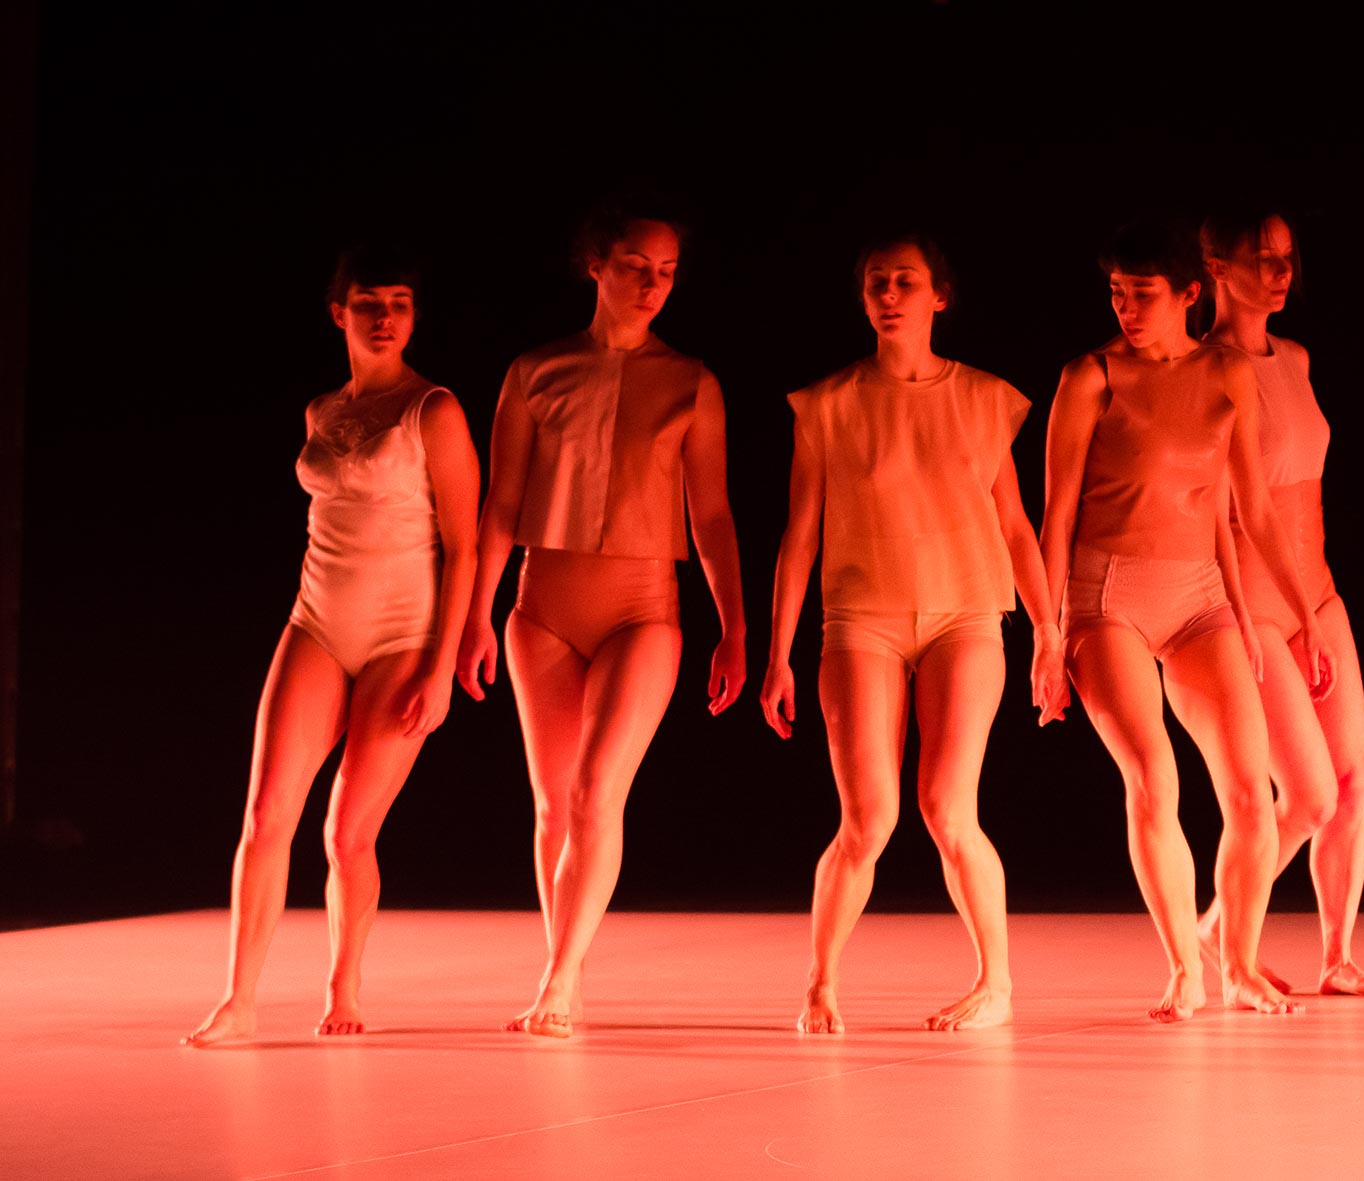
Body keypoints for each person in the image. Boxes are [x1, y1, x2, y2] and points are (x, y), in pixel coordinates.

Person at [761, 233, 1065, 1034]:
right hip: (861, 617)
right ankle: (821, 983)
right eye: (877, 283)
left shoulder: (984, 398)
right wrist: (777, 655)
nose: (890, 294)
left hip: (966, 613)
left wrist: (1048, 630)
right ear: (863, 298)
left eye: (906, 281)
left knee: (948, 807)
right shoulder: (827, 404)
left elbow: (1015, 524)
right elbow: (799, 536)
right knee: (868, 817)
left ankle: (996, 982)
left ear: (940, 296)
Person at [456, 204, 745, 1039]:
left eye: (667, 272)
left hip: (641, 609)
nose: (653, 284)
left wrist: (735, 627)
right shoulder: (534, 371)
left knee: (594, 790)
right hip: (541, 604)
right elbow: (501, 503)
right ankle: (568, 976)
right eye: (635, 266)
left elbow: (712, 515)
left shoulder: (692, 382)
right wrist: (476, 616)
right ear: (596, 265)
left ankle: (556, 980)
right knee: (553, 806)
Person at [184, 246, 481, 1045]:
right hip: (316, 619)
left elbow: (465, 545)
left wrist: (443, 666)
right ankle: (239, 998)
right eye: (369, 303)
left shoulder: (434, 409)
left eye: (400, 303)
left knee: (347, 832)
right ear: (339, 312)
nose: (385, 318)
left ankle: (343, 982)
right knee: (266, 812)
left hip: (403, 634)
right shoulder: (321, 411)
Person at [1040, 221, 1333, 1019]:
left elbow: (1251, 512)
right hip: (1108, 598)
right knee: (1154, 776)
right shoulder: (1092, 376)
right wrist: (1048, 632)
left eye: (1143, 295)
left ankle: (1238, 963)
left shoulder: (1226, 373)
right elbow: (1056, 515)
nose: (1127, 310)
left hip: (1200, 598)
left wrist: (1299, 615)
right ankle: (1182, 967)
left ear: (1188, 294)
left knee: (1250, 791)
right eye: (1117, 295)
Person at [1197, 209, 1364, 998]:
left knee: (1350, 782)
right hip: (1254, 601)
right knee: (1306, 795)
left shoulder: (1297, 359)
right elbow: (1222, 508)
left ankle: (1336, 955)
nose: (1279, 272)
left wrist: (1314, 608)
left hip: (1318, 592)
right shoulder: (1206, 370)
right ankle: (1217, 929)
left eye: (1284, 257)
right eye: (1260, 258)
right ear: (1215, 266)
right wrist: (1253, 620)